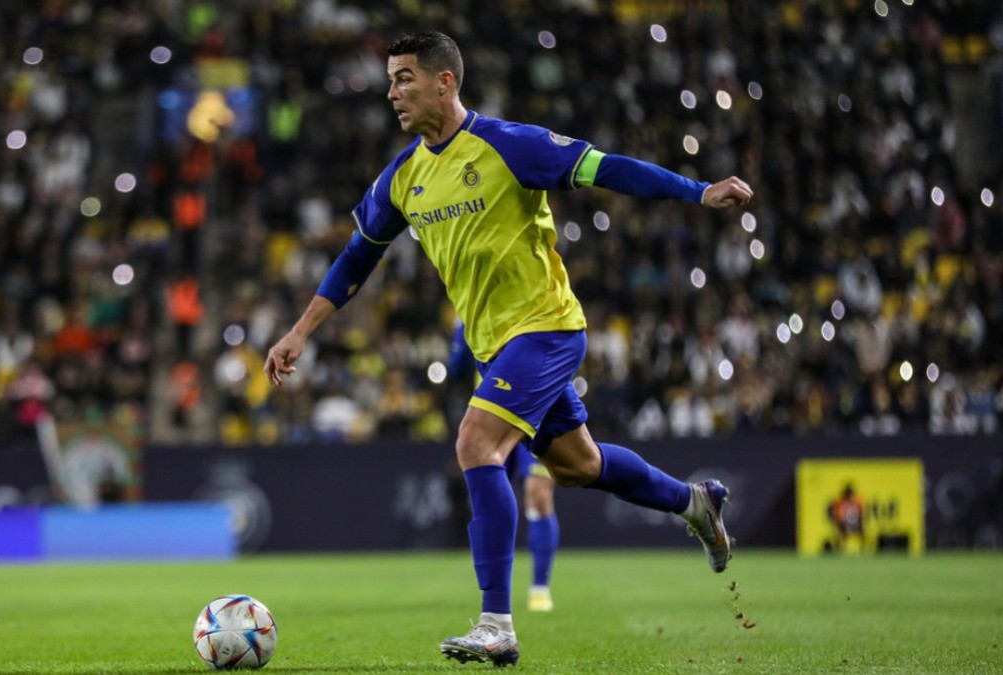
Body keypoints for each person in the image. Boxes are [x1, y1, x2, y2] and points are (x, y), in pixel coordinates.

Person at [265, 31, 752, 667]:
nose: (392, 93)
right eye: (390, 80)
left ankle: (496, 621)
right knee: (579, 465)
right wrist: (302, 329)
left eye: (404, 78)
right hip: (496, 346)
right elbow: (358, 256)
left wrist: (697, 191)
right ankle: (696, 502)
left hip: (546, 327)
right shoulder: (403, 178)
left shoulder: (509, 145)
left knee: (475, 442)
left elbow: (606, 168)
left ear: (445, 81)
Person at [450, 321, 558, 613]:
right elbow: (455, 366)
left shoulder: (531, 306)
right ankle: (495, 596)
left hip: (535, 411)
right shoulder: (471, 315)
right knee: (489, 501)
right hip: (492, 418)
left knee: (538, 493)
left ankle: (540, 586)